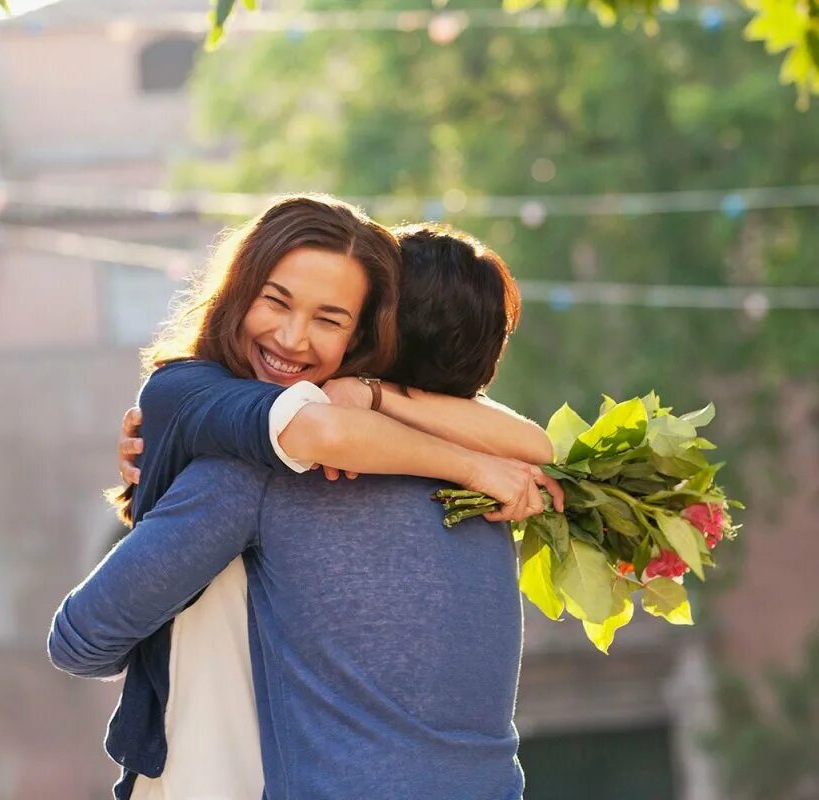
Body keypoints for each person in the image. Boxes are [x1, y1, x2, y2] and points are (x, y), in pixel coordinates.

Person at [53, 198, 558, 799]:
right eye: (278, 300)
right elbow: (535, 441)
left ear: (368, 333)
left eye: (331, 317)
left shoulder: (258, 470)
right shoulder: (492, 482)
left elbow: (81, 639)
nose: (294, 338)